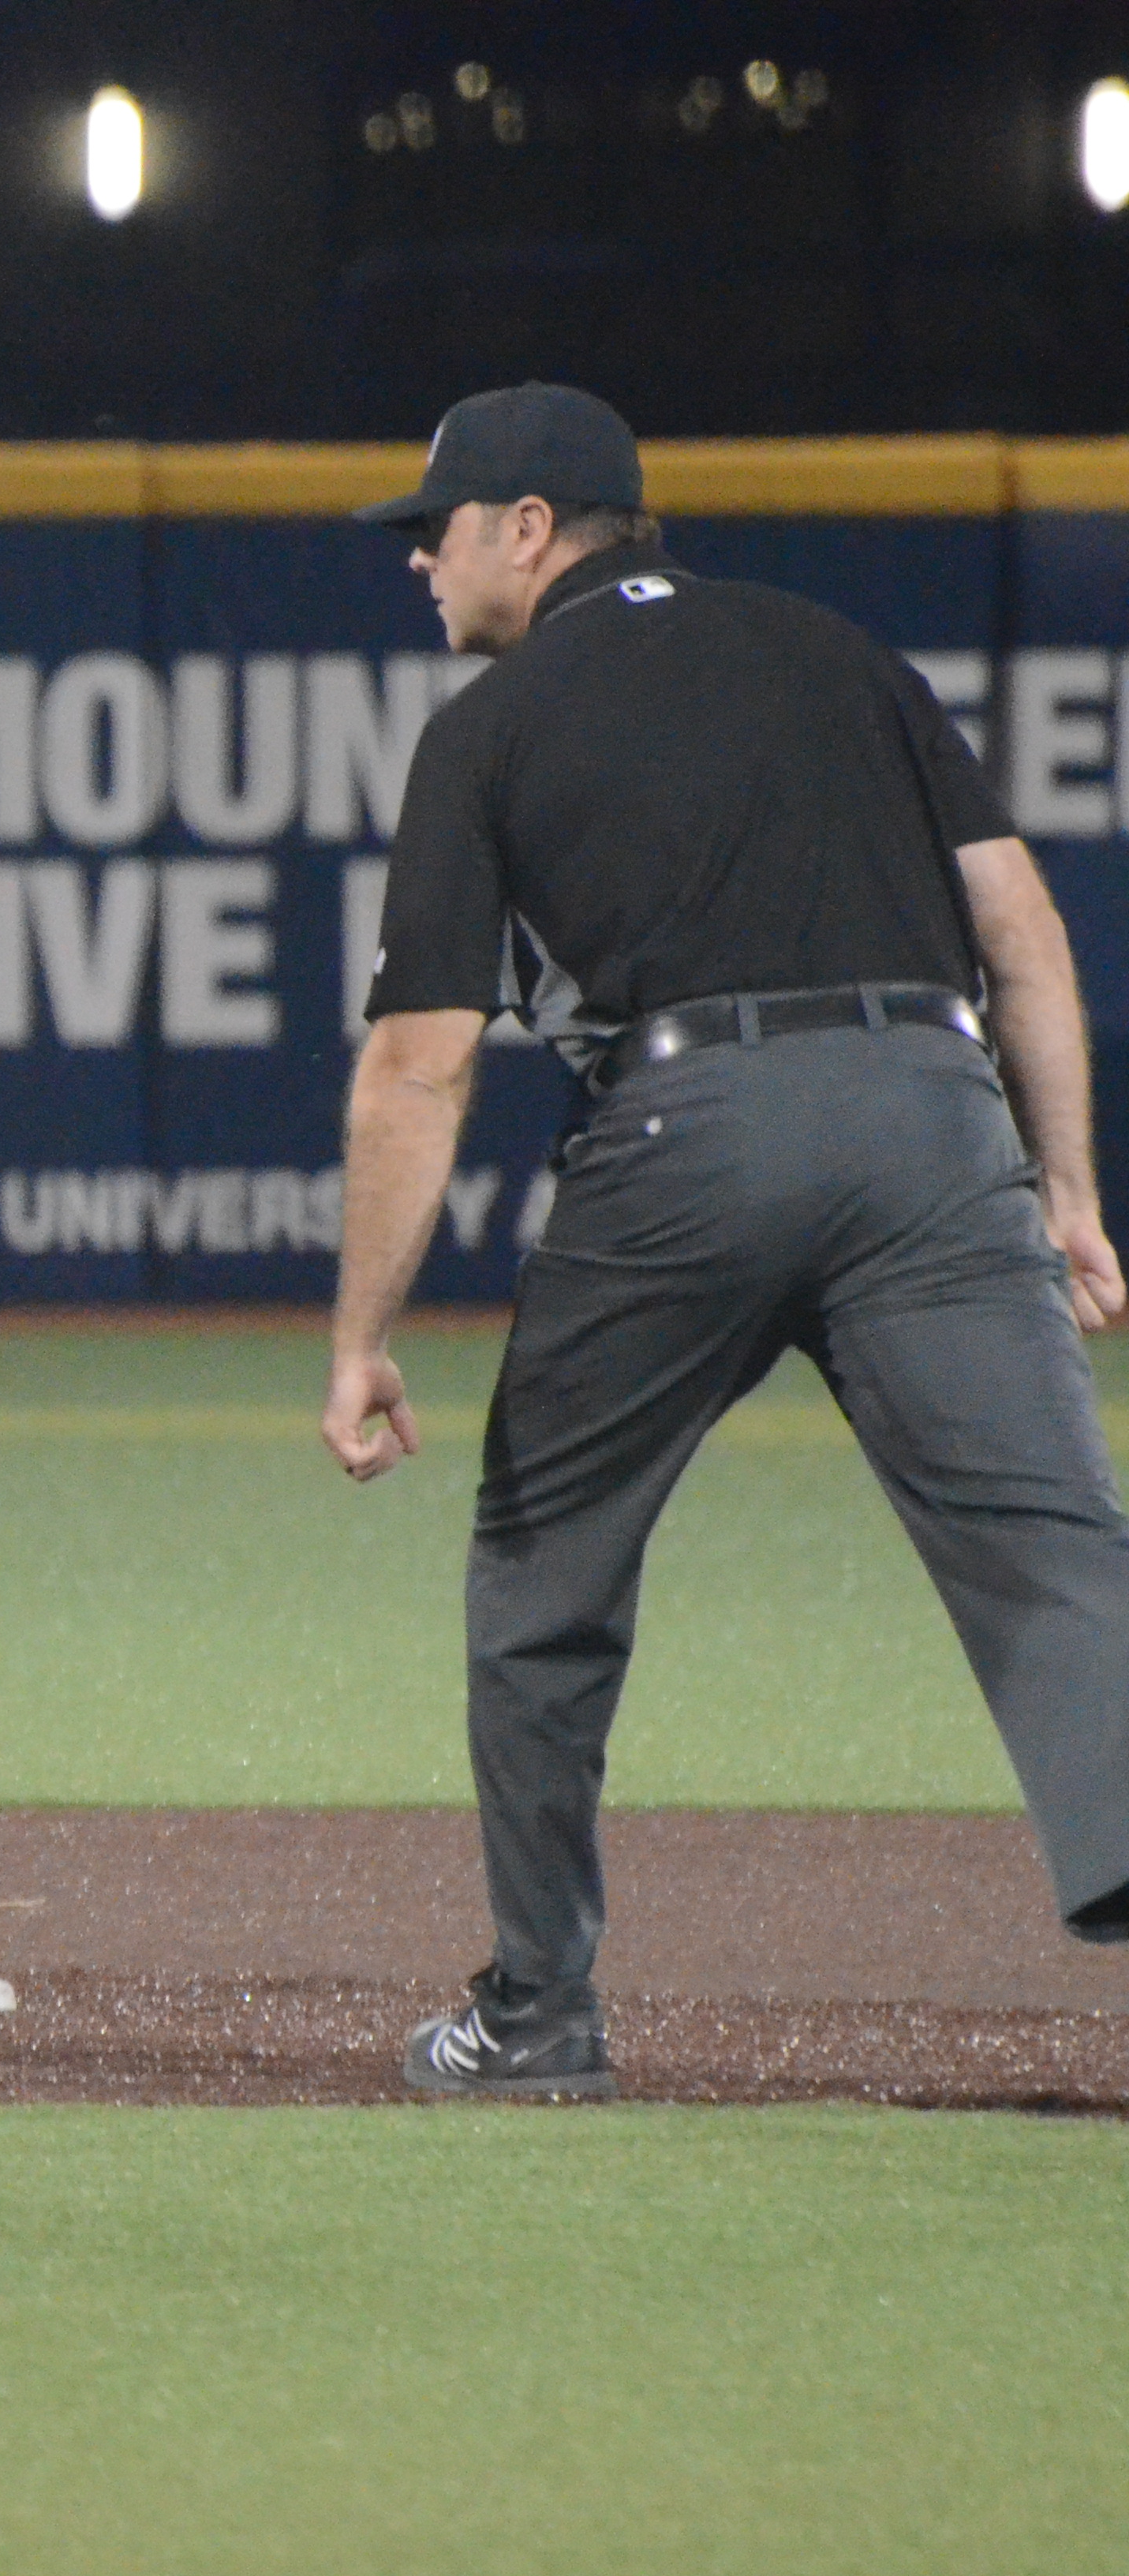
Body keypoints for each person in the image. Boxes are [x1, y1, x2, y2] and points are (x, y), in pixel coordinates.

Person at [324, 381, 1129, 2100]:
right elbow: (1026, 934)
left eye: (436, 521)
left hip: (687, 1142)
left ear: (527, 529)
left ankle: (537, 2015)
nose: (416, 553)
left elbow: (420, 1061)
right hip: (935, 1121)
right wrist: (1062, 1186)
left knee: (544, 1574)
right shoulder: (844, 656)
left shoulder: (489, 725)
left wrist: (358, 1338)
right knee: (1059, 1552)